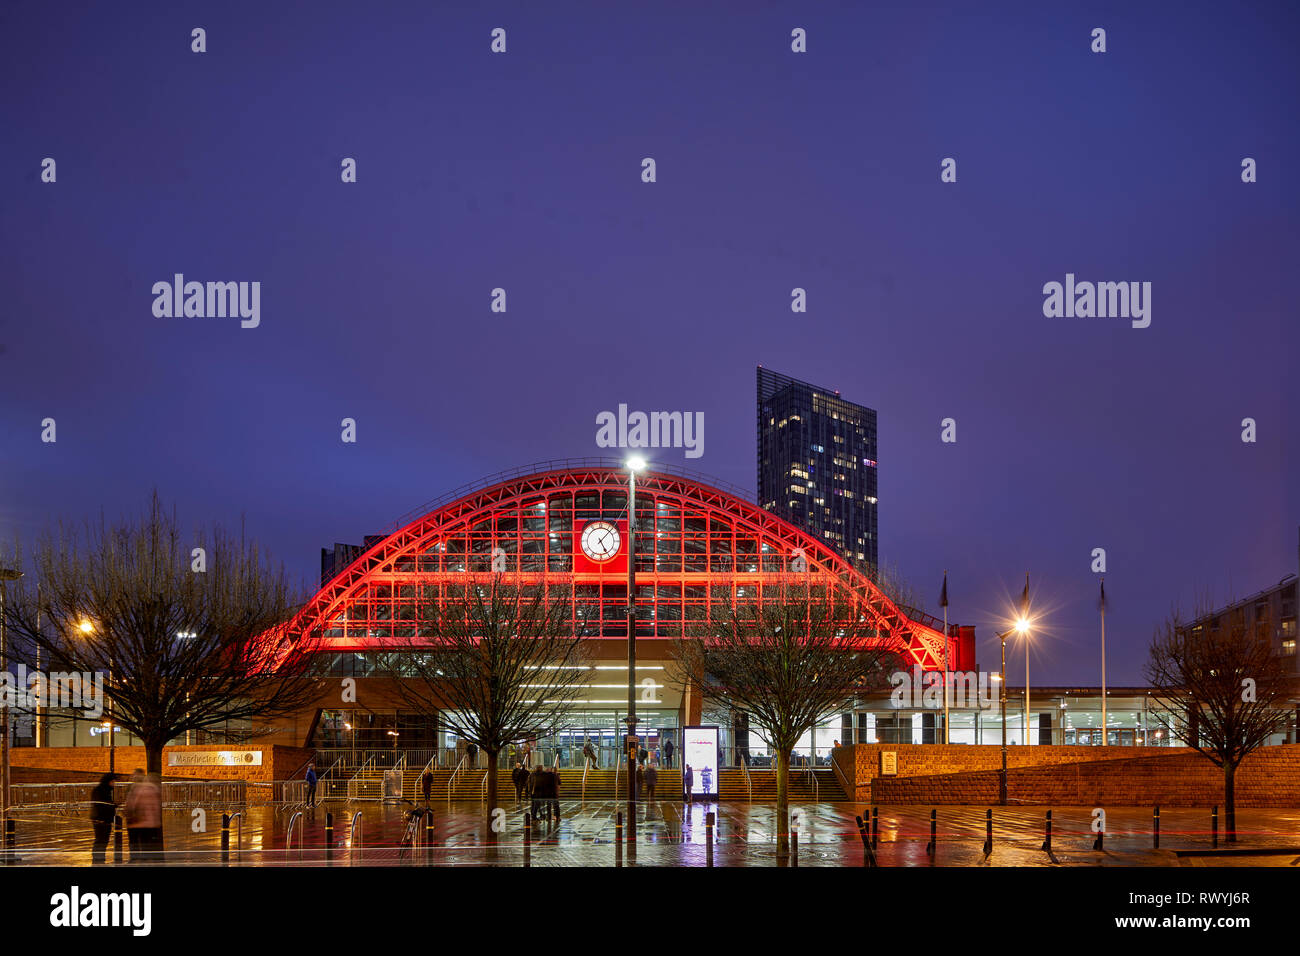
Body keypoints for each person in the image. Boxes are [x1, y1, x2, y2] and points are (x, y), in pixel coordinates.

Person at [124, 769, 161, 863]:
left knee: (135, 842)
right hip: (146, 822)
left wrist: (128, 814)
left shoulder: (136, 788)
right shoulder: (151, 788)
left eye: (136, 775)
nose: (134, 777)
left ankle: (135, 859)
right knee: (143, 843)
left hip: (138, 821)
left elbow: (132, 804)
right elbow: (156, 806)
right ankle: (141, 859)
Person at [89, 772, 118, 864]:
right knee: (101, 840)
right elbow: (102, 804)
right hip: (101, 819)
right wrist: (113, 806)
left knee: (103, 840)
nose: (114, 784)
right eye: (113, 781)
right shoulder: (101, 790)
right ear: (108, 781)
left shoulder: (105, 790)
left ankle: (100, 858)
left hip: (103, 819)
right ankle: (98, 859)